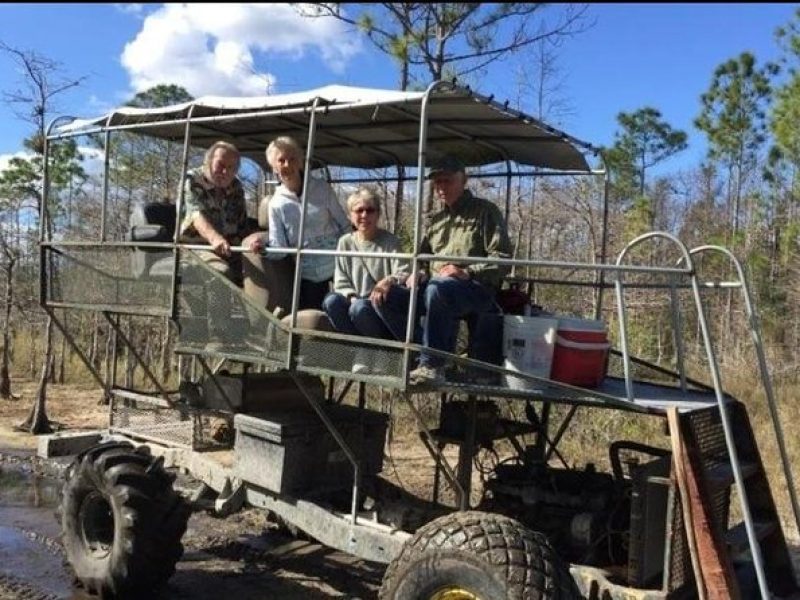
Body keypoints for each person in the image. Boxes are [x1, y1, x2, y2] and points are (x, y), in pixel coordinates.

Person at [377, 155, 512, 385]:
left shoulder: (485, 212)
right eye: (437, 182)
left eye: (447, 181)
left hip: (476, 289)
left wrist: (468, 272)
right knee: (388, 297)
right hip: (437, 289)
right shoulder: (435, 221)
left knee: (438, 288)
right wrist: (417, 272)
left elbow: (503, 259)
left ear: (463, 180)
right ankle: (428, 354)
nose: (441, 187)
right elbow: (421, 259)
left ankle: (432, 365)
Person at [248, 136, 350, 312]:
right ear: (274, 166)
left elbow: (344, 225)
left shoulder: (321, 188)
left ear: (301, 161)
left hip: (338, 265)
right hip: (308, 273)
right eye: (281, 160)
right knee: (312, 319)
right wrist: (263, 249)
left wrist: (353, 256)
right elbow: (280, 248)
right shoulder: (276, 204)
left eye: (292, 159)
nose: (287, 165)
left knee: (344, 309)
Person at [322, 187, 410, 373]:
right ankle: (361, 349)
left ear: (377, 214)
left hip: (379, 305)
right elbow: (340, 278)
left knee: (360, 308)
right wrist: (352, 296)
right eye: (358, 210)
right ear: (350, 215)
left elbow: (403, 272)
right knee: (331, 301)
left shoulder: (390, 241)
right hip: (355, 301)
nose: (364, 215)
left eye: (370, 210)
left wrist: (388, 281)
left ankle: (382, 350)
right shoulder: (345, 242)